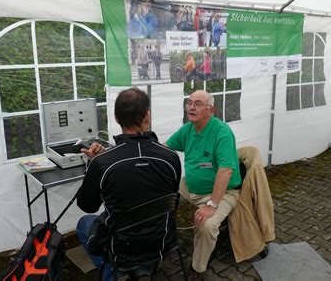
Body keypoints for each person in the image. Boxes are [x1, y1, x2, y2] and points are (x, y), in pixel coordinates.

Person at [76, 88, 182, 280]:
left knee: (84, 223)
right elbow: (172, 200)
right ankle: (142, 268)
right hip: (161, 241)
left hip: (121, 247)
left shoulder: (102, 163)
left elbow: (87, 205)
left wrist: (92, 164)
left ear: (117, 118)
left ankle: (114, 271)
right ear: (147, 116)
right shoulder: (171, 158)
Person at [165, 90, 242, 280]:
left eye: (198, 104)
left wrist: (211, 205)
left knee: (206, 226)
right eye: (189, 102)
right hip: (189, 186)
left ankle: (198, 269)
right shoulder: (188, 129)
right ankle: (164, 237)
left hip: (221, 193)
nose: (191, 107)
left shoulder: (221, 132)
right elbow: (165, 148)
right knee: (160, 195)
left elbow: (226, 170)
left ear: (211, 110)